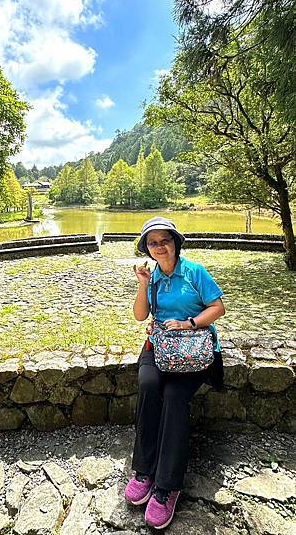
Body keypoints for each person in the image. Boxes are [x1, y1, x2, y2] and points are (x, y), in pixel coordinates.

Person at [124, 216, 225, 529]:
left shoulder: (194, 271)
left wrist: (189, 323)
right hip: (160, 347)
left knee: (174, 395)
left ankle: (168, 485)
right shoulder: (152, 276)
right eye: (152, 243)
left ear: (175, 242)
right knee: (148, 384)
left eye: (164, 240)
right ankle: (144, 469)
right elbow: (140, 315)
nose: (159, 247)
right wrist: (142, 284)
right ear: (147, 248)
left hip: (193, 350)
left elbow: (218, 307)